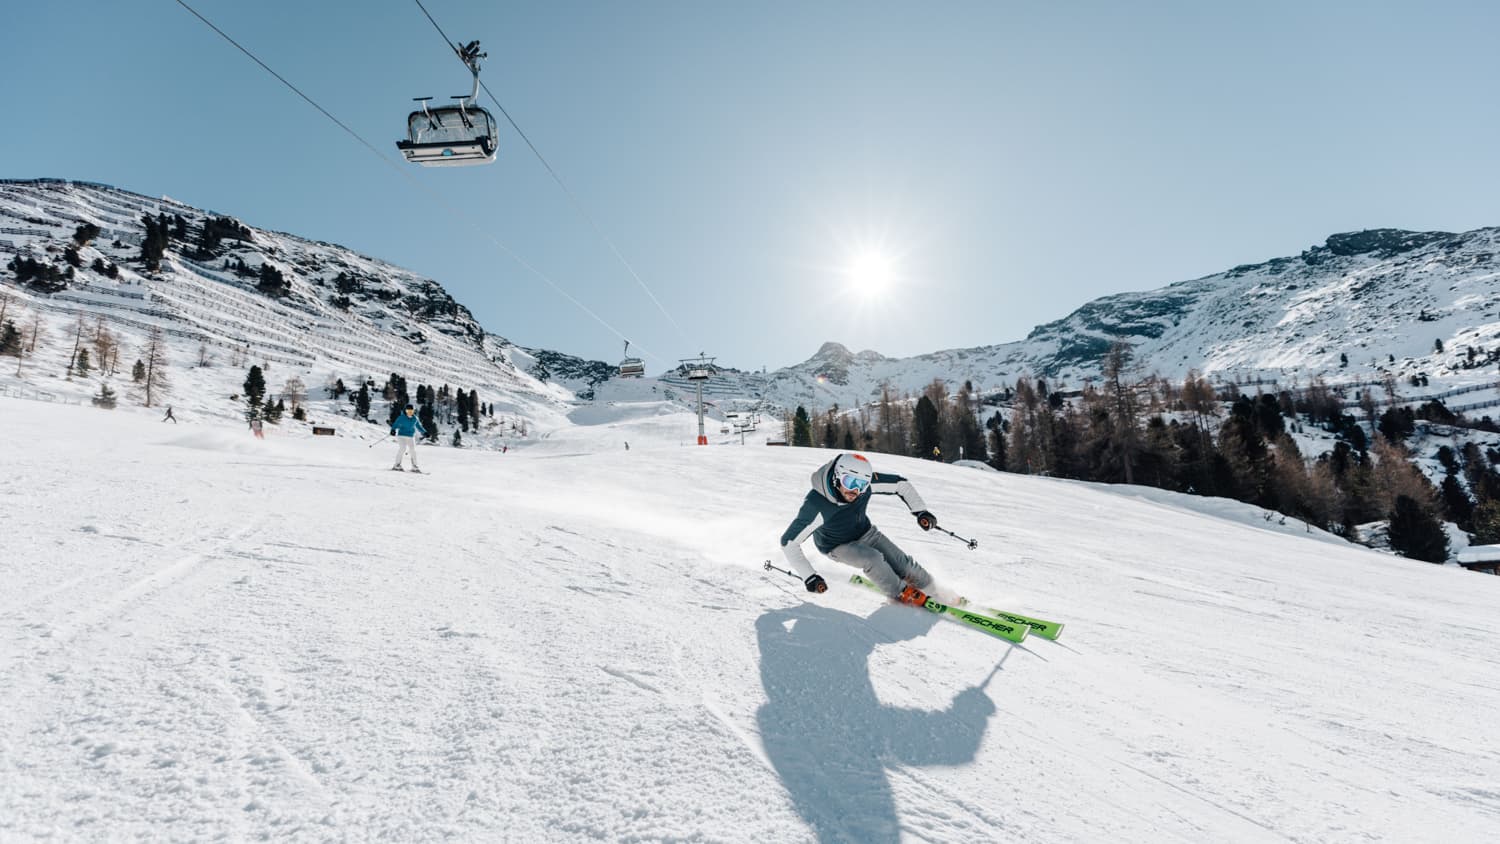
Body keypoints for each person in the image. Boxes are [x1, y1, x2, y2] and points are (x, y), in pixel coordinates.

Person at [779, 453, 946, 605]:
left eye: (862, 484)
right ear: (837, 477)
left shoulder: (863, 488)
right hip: (836, 545)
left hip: (866, 532)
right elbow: (788, 542)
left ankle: (934, 590)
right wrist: (809, 576)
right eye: (850, 482)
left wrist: (920, 510)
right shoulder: (817, 504)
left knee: (906, 565)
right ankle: (900, 593)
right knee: (873, 559)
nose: (855, 491)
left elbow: (900, 484)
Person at [390, 404, 426, 472]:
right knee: (403, 448)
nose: (410, 412)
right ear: (405, 411)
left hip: (410, 436)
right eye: (408, 411)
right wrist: (393, 430)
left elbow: (419, 427)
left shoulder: (415, 418)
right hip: (401, 436)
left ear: (413, 411)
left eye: (411, 411)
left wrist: (425, 432)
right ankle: (397, 465)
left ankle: (414, 466)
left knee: (413, 450)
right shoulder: (401, 417)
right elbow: (395, 424)